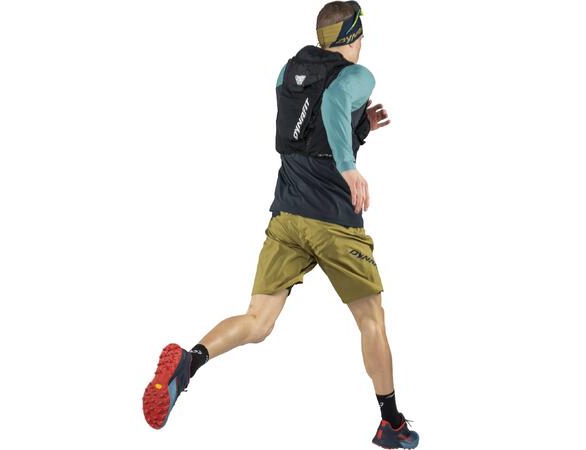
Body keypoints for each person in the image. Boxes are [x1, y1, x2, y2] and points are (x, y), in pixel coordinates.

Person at [142, 2, 419, 448]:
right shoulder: (358, 76)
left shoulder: (289, 72)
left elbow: (305, 131)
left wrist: (360, 129)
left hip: (286, 216)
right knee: (371, 319)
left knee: (258, 320)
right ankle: (392, 424)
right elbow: (333, 103)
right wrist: (348, 167)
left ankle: (189, 363)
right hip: (333, 220)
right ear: (353, 35)